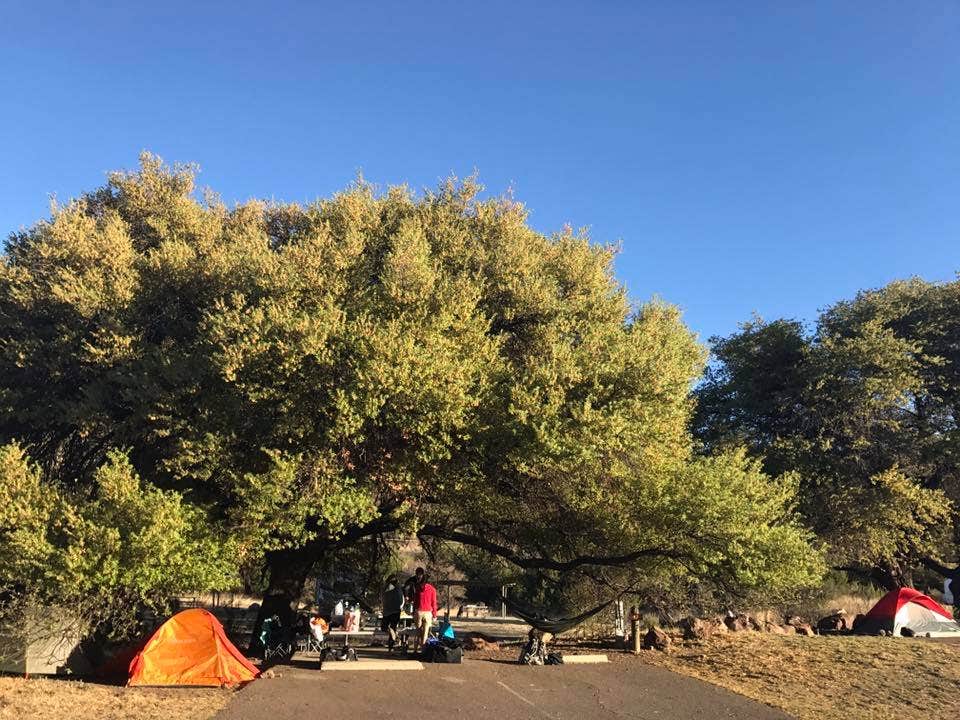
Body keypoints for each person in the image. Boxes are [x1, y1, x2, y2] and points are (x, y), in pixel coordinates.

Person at [413, 573, 438, 654]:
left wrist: (414, 611)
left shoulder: (418, 588)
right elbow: (434, 603)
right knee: (425, 634)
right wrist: (434, 615)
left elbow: (415, 601)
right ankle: (423, 651)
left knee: (417, 633)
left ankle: (415, 650)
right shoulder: (433, 589)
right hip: (428, 613)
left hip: (419, 611)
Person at [381, 576, 404, 650]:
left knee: (387, 627)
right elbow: (401, 600)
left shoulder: (387, 588)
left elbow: (382, 598)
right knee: (391, 628)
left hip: (390, 611)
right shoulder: (397, 588)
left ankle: (391, 645)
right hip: (394, 611)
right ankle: (394, 639)